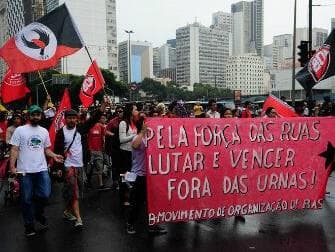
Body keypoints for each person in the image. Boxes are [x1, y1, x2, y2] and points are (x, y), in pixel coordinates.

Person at [9, 105, 64, 237]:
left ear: (41, 116)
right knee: (26, 199)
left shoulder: (44, 131)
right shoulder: (20, 130)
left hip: (41, 169)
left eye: (38, 115)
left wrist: (54, 155)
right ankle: (29, 225)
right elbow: (14, 149)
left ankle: (38, 214)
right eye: (33, 114)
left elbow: (46, 150)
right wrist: (12, 166)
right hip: (24, 171)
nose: (36, 117)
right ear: (29, 116)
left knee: (45, 194)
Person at [54, 102, 107, 229]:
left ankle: (67, 211)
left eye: (74, 118)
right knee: (75, 192)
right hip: (68, 166)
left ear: (76, 119)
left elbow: (93, 120)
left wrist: (102, 109)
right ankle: (78, 218)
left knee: (77, 189)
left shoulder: (80, 129)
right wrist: (58, 168)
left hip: (80, 165)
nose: (72, 120)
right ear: (65, 119)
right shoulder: (60, 133)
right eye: (69, 118)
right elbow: (57, 151)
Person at [126, 116, 167, 235]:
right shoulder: (137, 138)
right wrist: (143, 132)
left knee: (153, 202)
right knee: (137, 203)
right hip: (140, 176)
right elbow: (134, 145)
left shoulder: (151, 138)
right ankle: (130, 224)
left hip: (152, 176)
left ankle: (153, 225)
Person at [119, 103, 138, 205]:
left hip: (134, 153)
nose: (137, 111)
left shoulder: (135, 122)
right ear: (130, 111)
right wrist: (134, 136)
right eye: (135, 109)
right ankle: (125, 197)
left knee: (133, 174)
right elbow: (121, 139)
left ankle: (132, 196)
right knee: (125, 175)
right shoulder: (123, 123)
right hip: (125, 153)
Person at [87, 114, 107, 189]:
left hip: (99, 150)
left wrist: (103, 147)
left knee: (100, 167)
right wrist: (89, 149)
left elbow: (103, 136)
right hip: (91, 151)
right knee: (89, 168)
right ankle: (88, 182)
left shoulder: (101, 126)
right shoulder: (88, 127)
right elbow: (87, 139)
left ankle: (101, 184)